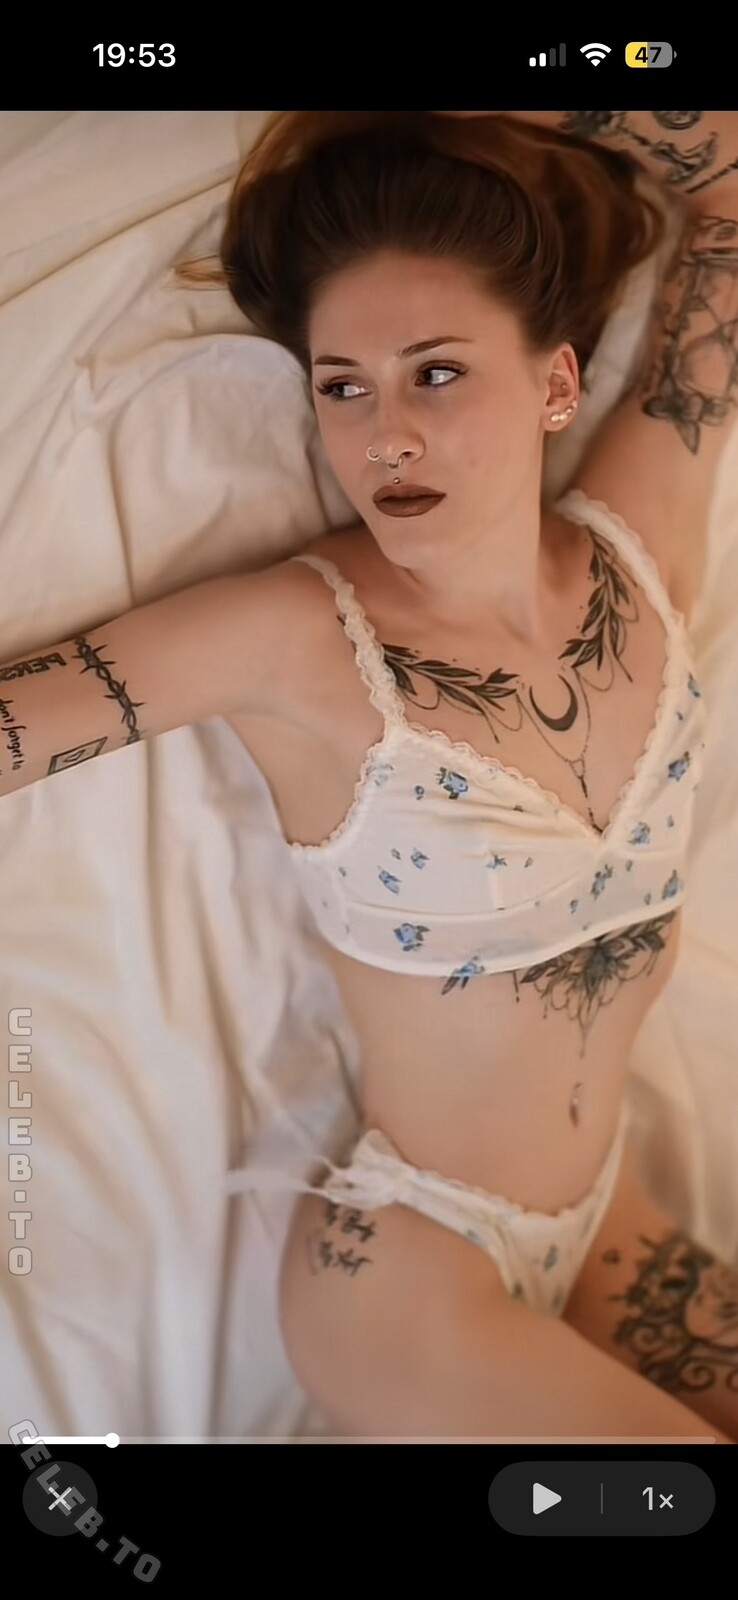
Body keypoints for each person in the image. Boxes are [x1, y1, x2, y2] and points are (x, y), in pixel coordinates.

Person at [6, 111, 738, 1441]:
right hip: (408, 1274)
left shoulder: (641, 542)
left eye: (435, 373)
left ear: (557, 384)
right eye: (342, 387)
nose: (383, 435)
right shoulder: (296, 637)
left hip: (609, 1226)